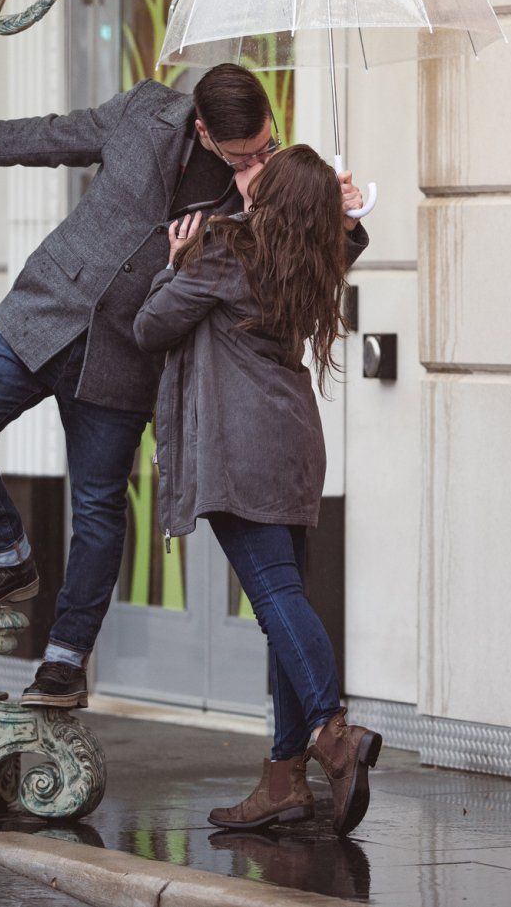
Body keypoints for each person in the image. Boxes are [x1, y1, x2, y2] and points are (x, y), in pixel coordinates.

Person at [0, 65, 365, 710]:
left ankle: (65, 661)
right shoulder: (144, 112)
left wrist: (343, 221)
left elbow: (294, 262)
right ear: (202, 126)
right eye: (240, 152)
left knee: (99, 508)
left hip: (126, 356)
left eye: (264, 147)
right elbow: (59, 136)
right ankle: (8, 556)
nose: (256, 161)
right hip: (46, 309)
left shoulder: (272, 179)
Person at [133, 145, 382, 836]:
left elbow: (149, 325)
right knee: (284, 600)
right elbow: (346, 241)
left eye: (257, 174)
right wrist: (347, 215)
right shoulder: (309, 255)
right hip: (294, 442)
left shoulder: (221, 251)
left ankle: (333, 734)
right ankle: (282, 777)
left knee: (274, 598)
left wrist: (173, 262)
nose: (244, 180)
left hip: (240, 450)